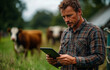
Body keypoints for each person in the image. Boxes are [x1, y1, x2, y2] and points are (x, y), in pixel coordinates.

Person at [46, 0, 106, 70]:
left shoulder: (94, 31)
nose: (66, 20)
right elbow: (61, 58)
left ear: (79, 12)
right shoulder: (65, 32)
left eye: (69, 15)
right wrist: (54, 61)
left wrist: (74, 60)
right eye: (64, 17)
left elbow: (99, 58)